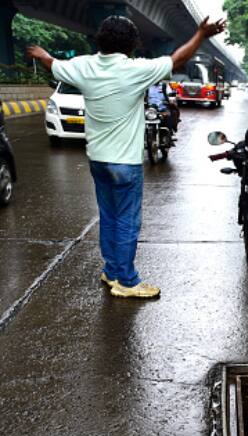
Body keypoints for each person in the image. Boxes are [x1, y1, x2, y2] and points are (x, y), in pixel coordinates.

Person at [27, 15, 225, 299]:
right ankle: (127, 281)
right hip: (125, 164)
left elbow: (52, 64)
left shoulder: (83, 66)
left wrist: (41, 53)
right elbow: (176, 60)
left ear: (100, 40)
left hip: (98, 160)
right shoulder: (135, 70)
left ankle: (111, 271)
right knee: (127, 222)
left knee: (108, 217)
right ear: (132, 45)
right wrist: (200, 35)